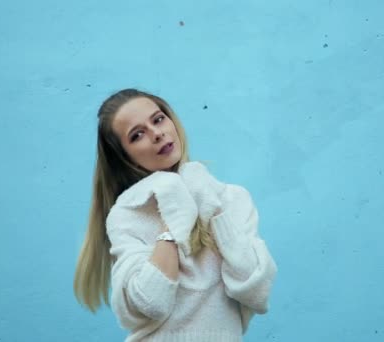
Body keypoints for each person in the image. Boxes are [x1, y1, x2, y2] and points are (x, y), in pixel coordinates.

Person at [73, 88, 277, 341]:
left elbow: (256, 292)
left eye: (158, 119)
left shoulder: (233, 199)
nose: (157, 134)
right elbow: (151, 302)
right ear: (126, 157)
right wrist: (174, 216)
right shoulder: (127, 214)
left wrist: (209, 203)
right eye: (137, 135)